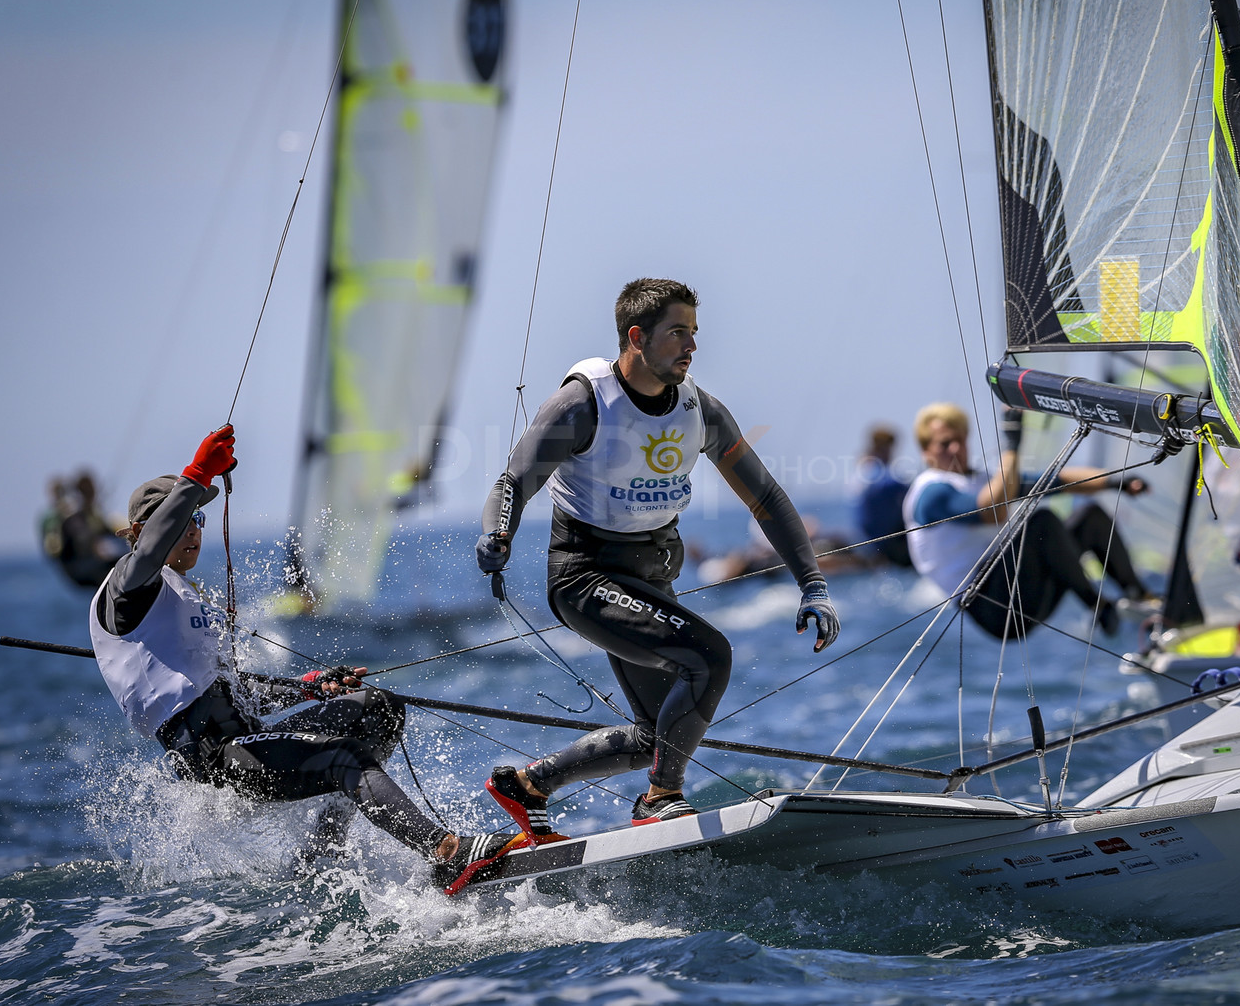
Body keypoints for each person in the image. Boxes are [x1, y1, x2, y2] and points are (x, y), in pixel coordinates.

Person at [475, 278, 840, 837]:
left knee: (656, 734)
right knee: (709, 657)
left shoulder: (702, 412)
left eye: (694, 333)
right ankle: (661, 798)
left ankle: (528, 786)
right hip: (585, 577)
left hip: (650, 578)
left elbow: (765, 497)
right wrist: (499, 534)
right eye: (677, 333)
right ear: (637, 337)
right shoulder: (582, 404)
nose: (691, 346)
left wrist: (811, 583)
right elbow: (514, 482)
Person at [88, 426, 518, 895]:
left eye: (197, 519)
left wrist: (308, 686)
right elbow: (151, 549)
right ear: (138, 533)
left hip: (245, 737)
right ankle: (447, 852)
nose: (192, 530)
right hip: (213, 758)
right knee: (344, 757)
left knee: (377, 707)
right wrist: (196, 472)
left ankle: (321, 856)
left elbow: (237, 693)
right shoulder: (126, 590)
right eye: (180, 521)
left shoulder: (180, 593)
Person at [902, 402, 1151, 641]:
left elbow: (1059, 481)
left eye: (960, 440)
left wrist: (1117, 482)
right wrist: (1012, 444)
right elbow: (992, 512)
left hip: (1023, 590)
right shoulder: (931, 492)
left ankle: (1142, 598)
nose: (955, 449)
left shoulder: (982, 481)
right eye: (944, 444)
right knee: (1042, 523)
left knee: (1090, 517)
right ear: (926, 452)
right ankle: (1099, 606)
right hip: (994, 609)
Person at [853, 425, 911, 568]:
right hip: (882, 545)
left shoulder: (861, 469)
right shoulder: (875, 472)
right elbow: (896, 486)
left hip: (866, 541)